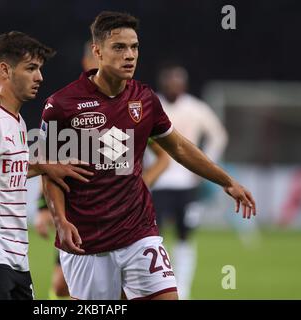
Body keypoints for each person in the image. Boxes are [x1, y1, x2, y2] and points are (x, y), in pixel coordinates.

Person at [40, 11, 256, 300]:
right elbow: (50, 171)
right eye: (119, 47)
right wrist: (59, 218)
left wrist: (226, 181)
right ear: (97, 51)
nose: (129, 55)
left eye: (134, 47)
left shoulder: (144, 99)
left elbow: (178, 147)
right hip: (87, 240)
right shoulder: (62, 106)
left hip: (138, 233)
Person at [0, 31, 93, 300]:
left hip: (17, 259)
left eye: (40, 69)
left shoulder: (17, 122)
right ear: (5, 70)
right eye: (31, 68)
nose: (39, 77)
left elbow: (6, 169)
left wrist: (45, 166)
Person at [143, 64, 229, 299]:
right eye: (170, 82)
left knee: (184, 237)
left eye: (177, 82)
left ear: (184, 85)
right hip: (157, 184)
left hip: (187, 185)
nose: (173, 87)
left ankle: (184, 290)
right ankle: (159, 288)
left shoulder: (195, 108)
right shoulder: (150, 104)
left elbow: (219, 134)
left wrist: (204, 164)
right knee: (153, 239)